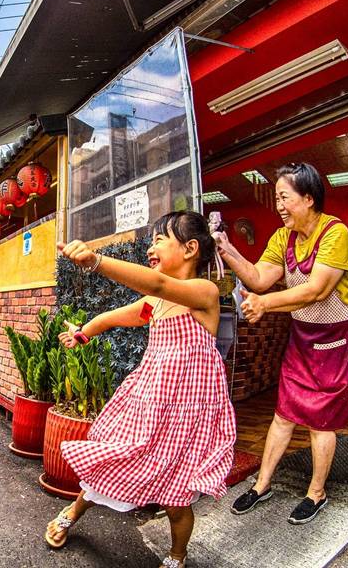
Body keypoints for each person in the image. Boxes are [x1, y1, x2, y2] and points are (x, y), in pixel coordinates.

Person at [46, 211, 236, 568]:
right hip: (150, 402)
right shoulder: (155, 304)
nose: (151, 247)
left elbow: (158, 284)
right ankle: (71, 513)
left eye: (160, 239)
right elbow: (116, 315)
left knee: (177, 497)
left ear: (191, 248)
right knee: (113, 459)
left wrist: (96, 260)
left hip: (186, 418)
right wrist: (83, 333)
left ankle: (176, 557)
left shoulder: (203, 292)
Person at [213, 162, 348, 525]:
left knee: (320, 421)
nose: (279, 205)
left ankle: (317, 492)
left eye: (285, 197)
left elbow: (318, 289)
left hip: (337, 340)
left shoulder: (334, 233)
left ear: (308, 198)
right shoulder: (284, 238)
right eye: (277, 197)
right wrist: (228, 249)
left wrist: (266, 304)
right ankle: (261, 484)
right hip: (303, 337)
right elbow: (260, 278)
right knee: (284, 414)